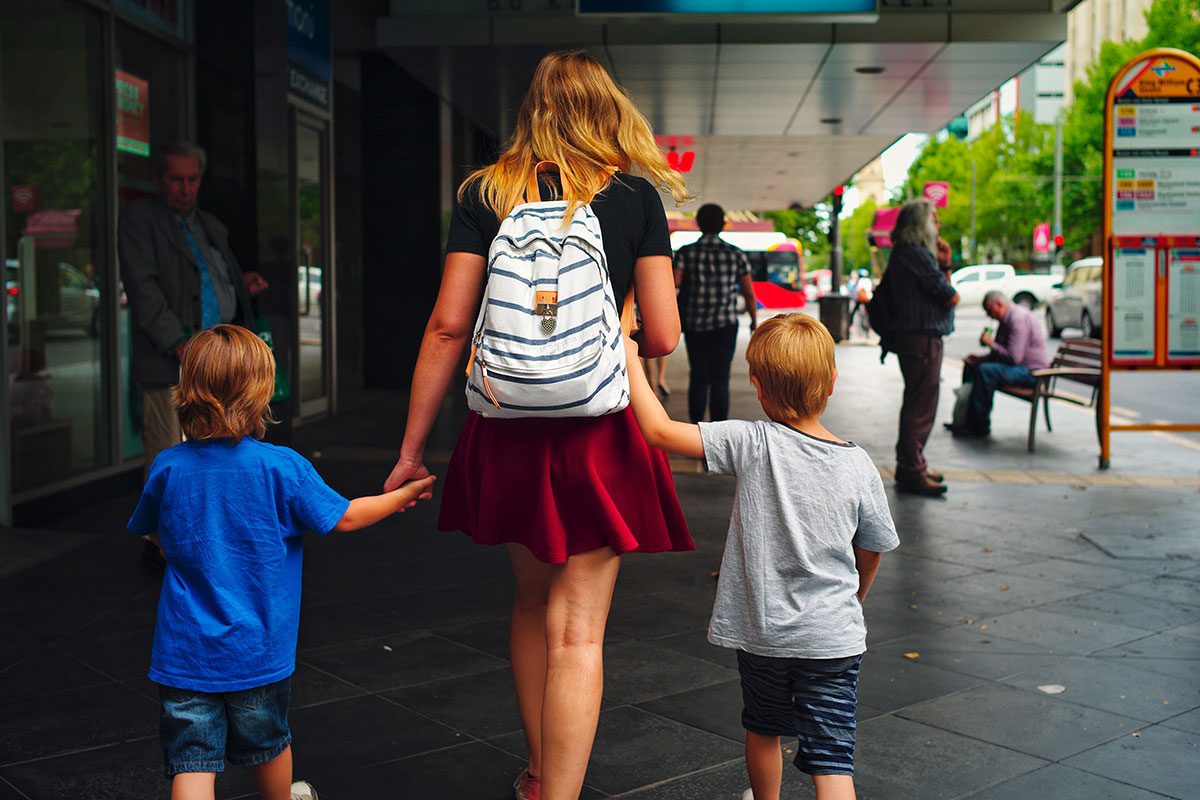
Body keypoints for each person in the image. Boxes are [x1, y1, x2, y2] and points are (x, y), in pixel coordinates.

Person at [381, 51, 694, 800]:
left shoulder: (487, 194)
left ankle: (536, 772)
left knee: (530, 602)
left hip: (507, 428)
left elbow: (448, 328)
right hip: (599, 436)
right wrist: (614, 323)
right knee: (578, 628)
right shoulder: (634, 198)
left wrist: (412, 448)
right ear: (610, 111)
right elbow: (664, 337)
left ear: (533, 112)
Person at [127, 325, 435, 800]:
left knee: (191, 759)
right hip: (258, 651)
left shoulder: (168, 466)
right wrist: (399, 498)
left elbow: (160, 535)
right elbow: (345, 518)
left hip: (184, 652)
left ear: (188, 391)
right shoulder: (281, 466)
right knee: (269, 743)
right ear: (259, 396)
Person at [622, 314, 899, 800]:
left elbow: (659, 431)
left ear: (757, 385)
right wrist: (855, 596)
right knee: (832, 757)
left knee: (764, 727)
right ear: (832, 382)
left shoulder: (751, 442)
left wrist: (626, 350)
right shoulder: (858, 464)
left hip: (764, 634)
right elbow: (872, 548)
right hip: (833, 638)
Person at [119, 140, 269, 566]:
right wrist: (182, 344)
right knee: (169, 449)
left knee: (222, 445)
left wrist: (243, 285)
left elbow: (218, 277)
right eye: (176, 179)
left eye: (192, 179)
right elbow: (143, 290)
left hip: (217, 360)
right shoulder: (138, 220)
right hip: (171, 357)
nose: (185, 188)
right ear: (158, 180)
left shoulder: (210, 225)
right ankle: (162, 544)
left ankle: (211, 534)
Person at [881, 198, 958, 497]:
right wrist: (944, 266)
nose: (938, 225)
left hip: (912, 338)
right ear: (920, 224)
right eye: (934, 219)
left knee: (917, 402)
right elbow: (948, 295)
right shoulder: (916, 255)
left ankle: (913, 465)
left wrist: (943, 261)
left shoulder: (902, 255)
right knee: (921, 405)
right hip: (922, 338)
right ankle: (912, 470)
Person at [674, 203, 759, 423]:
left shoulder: (686, 253)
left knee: (699, 377)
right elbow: (749, 293)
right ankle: (719, 431)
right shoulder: (735, 254)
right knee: (720, 379)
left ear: (698, 224)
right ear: (722, 224)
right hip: (725, 326)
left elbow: (674, 285)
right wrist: (753, 321)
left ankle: (696, 429)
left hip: (695, 325)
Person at [953, 290, 1051, 437]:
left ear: (998, 305)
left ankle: (980, 426)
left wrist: (991, 343)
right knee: (972, 365)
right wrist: (980, 359)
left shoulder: (1018, 319)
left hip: (1031, 372)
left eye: (989, 310)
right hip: (1018, 368)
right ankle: (965, 419)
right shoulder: (1005, 320)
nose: (988, 315)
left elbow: (1013, 357)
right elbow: (1001, 354)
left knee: (985, 371)